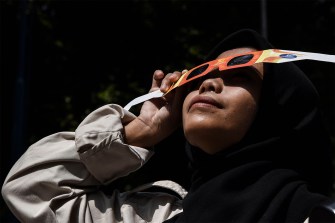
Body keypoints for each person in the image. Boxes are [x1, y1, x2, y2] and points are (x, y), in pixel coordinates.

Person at [2, 29, 334, 223]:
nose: (208, 84)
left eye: (240, 75)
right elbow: (33, 190)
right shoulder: (150, 216)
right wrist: (138, 131)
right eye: (200, 75)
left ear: (277, 112)